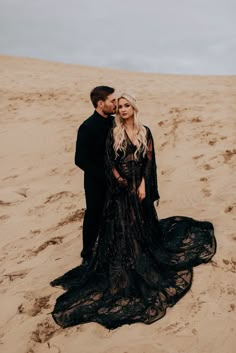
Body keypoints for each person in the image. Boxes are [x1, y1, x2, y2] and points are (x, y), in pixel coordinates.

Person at [50, 93, 216, 330]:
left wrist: (143, 184)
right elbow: (109, 163)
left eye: (126, 105)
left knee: (143, 225)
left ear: (134, 107)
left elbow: (149, 160)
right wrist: (121, 182)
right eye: (119, 106)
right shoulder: (113, 132)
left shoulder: (145, 131)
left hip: (139, 183)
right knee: (121, 227)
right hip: (120, 188)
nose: (123, 109)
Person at [74, 86, 116, 265]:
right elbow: (80, 160)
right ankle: (87, 253)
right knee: (94, 214)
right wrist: (104, 176)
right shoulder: (87, 127)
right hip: (96, 181)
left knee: (115, 212)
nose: (115, 104)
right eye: (112, 101)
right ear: (101, 103)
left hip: (117, 178)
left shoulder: (115, 122)